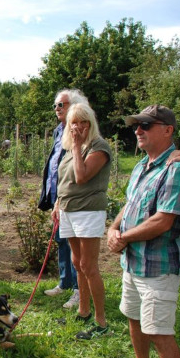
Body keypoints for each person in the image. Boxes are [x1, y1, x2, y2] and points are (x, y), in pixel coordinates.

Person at [108, 105, 180, 358]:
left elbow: (163, 221)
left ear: (168, 130)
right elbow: (130, 203)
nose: (138, 130)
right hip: (134, 262)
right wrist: (113, 227)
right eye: (137, 125)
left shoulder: (178, 168)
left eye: (146, 125)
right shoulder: (140, 166)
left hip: (158, 265)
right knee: (134, 319)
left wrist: (123, 238)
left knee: (159, 333)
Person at [52, 102, 111, 340]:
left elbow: (82, 176)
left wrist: (77, 147)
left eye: (82, 121)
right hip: (68, 209)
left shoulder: (99, 147)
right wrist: (57, 204)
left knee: (89, 266)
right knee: (77, 263)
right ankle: (83, 310)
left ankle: (101, 320)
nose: (78, 126)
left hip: (88, 210)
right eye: (73, 122)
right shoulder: (70, 149)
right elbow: (64, 181)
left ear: (90, 123)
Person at [39, 89, 87, 309]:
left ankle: (79, 289)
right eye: (55, 105)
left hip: (73, 197)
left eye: (62, 105)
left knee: (75, 245)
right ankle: (65, 283)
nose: (57, 109)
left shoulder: (80, 130)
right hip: (58, 195)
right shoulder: (60, 130)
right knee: (61, 240)